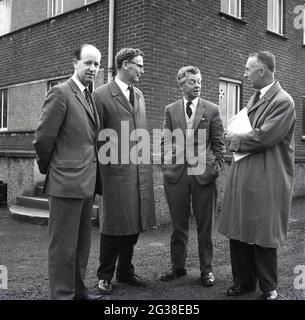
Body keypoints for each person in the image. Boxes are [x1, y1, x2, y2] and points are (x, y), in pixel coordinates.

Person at [218, 51, 296, 300]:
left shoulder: (283, 101)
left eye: (247, 69)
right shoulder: (255, 98)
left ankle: (268, 287)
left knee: (263, 232)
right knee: (239, 227)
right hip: (245, 173)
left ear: (262, 71)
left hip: (267, 176)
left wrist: (235, 139)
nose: (244, 73)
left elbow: (265, 136)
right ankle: (243, 282)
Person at [33, 44, 103, 300]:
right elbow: (42, 139)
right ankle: (62, 295)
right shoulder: (60, 93)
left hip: (86, 183)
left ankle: (78, 291)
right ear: (75, 63)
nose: (93, 69)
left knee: (81, 245)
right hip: (65, 183)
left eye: (97, 64)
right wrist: (52, 169)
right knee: (62, 248)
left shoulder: (88, 96)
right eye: (88, 63)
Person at [93, 48, 156, 294]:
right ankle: (104, 275)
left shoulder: (138, 94)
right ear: (125, 65)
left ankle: (125, 271)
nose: (142, 69)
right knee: (112, 226)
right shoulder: (101, 95)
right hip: (113, 172)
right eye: (139, 65)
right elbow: (96, 136)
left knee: (133, 223)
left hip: (138, 170)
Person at [160, 66, 225, 286]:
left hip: (203, 173)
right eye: (192, 82)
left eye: (199, 81)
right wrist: (166, 164)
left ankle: (207, 270)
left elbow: (219, 143)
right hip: (176, 173)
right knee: (178, 225)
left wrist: (215, 167)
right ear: (181, 85)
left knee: (205, 226)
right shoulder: (171, 109)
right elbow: (166, 140)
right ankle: (177, 268)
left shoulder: (212, 109)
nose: (197, 85)